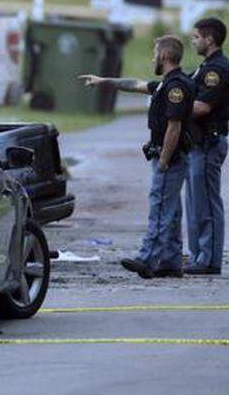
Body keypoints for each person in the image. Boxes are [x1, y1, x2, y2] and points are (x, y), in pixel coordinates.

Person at [78, 36, 195, 278]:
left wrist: (163, 159)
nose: (153, 57)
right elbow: (135, 84)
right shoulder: (167, 84)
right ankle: (171, 261)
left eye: (155, 53)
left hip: (170, 158)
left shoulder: (176, 87)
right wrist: (104, 81)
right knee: (171, 212)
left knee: (160, 207)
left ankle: (148, 258)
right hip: (168, 156)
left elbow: (174, 127)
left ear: (164, 56)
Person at [183, 18, 229, 275]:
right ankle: (198, 256)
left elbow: (203, 106)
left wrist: (171, 108)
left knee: (206, 204)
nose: (193, 41)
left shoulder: (217, 70)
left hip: (208, 143)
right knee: (195, 205)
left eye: (196, 37)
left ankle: (209, 259)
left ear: (209, 39)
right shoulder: (205, 67)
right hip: (197, 144)